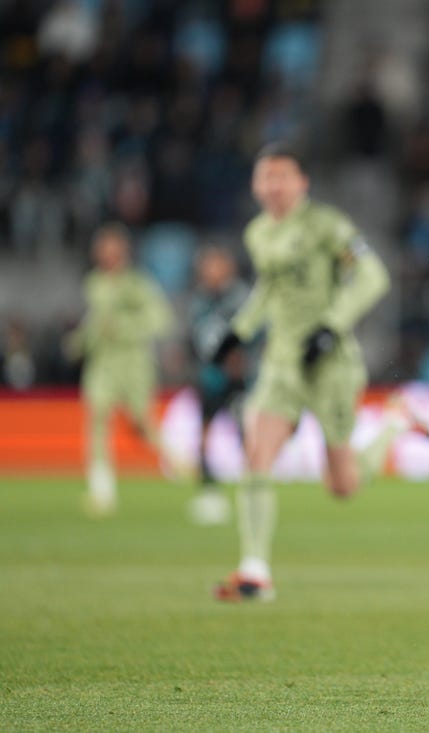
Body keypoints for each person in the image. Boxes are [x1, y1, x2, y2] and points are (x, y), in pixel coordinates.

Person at [210, 141, 395, 602]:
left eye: (281, 176)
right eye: (264, 177)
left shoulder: (327, 227)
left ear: (302, 182)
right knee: (256, 456)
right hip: (281, 365)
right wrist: (240, 330)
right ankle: (255, 571)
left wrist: (331, 326)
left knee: (342, 486)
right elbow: (269, 288)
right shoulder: (258, 233)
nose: (272, 186)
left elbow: (374, 277)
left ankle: (395, 424)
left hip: (331, 366)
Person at [64, 222, 176, 517]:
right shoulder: (95, 283)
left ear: (123, 252)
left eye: (112, 249)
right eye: (102, 249)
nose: (106, 255)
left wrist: (124, 328)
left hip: (134, 363)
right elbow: (95, 323)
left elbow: (161, 319)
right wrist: (78, 343)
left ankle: (180, 466)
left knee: (143, 423)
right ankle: (102, 490)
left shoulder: (137, 284)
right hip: (102, 363)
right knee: (97, 418)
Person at [186, 245, 252, 526]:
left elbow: (255, 333)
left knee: (245, 433)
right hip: (210, 377)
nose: (210, 273)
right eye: (206, 267)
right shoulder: (200, 300)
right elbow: (195, 337)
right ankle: (207, 484)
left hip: (238, 379)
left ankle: (251, 485)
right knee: (203, 432)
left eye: (215, 266)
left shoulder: (241, 298)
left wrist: (241, 361)